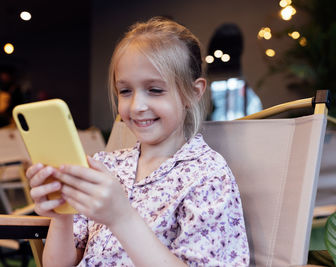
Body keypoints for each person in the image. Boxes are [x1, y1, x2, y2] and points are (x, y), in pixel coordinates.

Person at [26, 17, 249, 266]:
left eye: (154, 90)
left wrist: (121, 217)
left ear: (193, 92)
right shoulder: (105, 166)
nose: (136, 106)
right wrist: (62, 216)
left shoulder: (207, 175)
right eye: (125, 91)